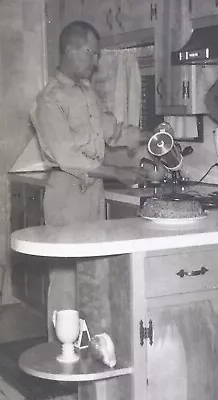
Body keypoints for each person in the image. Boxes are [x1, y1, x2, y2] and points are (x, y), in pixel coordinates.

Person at [30, 20, 148, 341]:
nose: (96, 62)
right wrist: (118, 173)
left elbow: (115, 131)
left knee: (95, 275)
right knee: (66, 280)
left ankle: (96, 353)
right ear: (70, 49)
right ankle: (62, 354)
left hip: (92, 192)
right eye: (91, 54)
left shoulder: (87, 95)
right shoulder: (49, 101)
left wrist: (153, 135)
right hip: (66, 193)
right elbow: (69, 158)